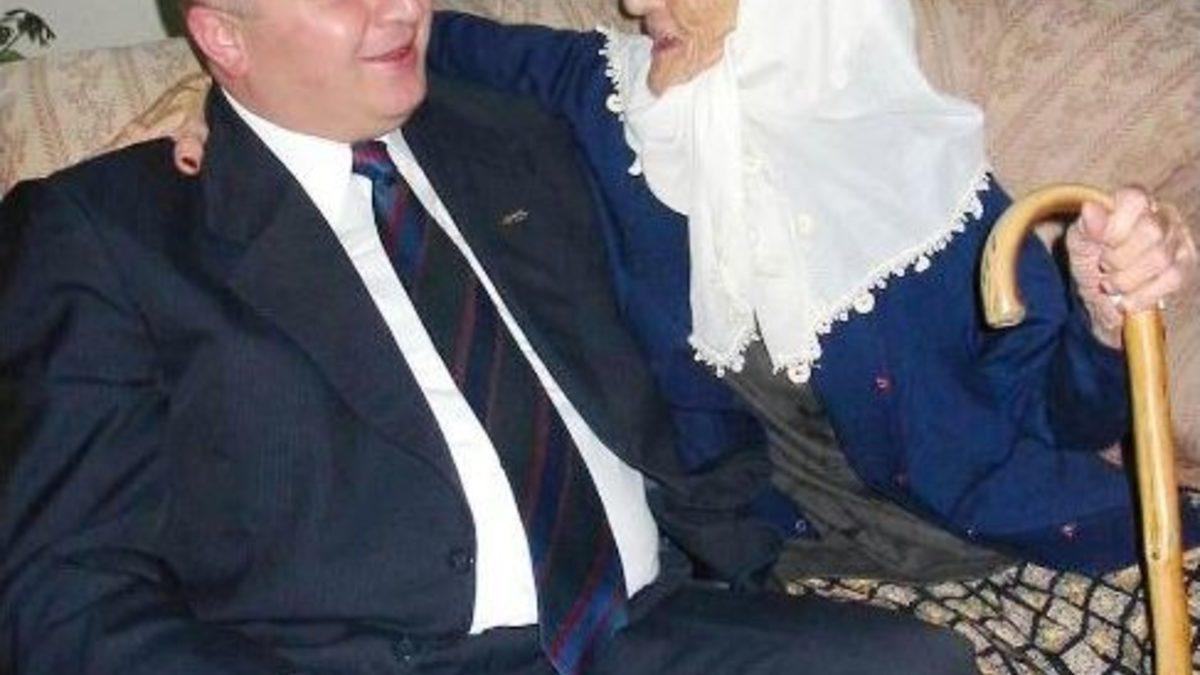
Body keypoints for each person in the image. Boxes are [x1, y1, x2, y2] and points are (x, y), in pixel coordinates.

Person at [0, 0, 982, 674]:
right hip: (373, 657)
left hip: (643, 626)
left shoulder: (517, 134)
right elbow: (63, 590)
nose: (399, 8)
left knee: (917, 665)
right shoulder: (108, 232)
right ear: (222, 33)